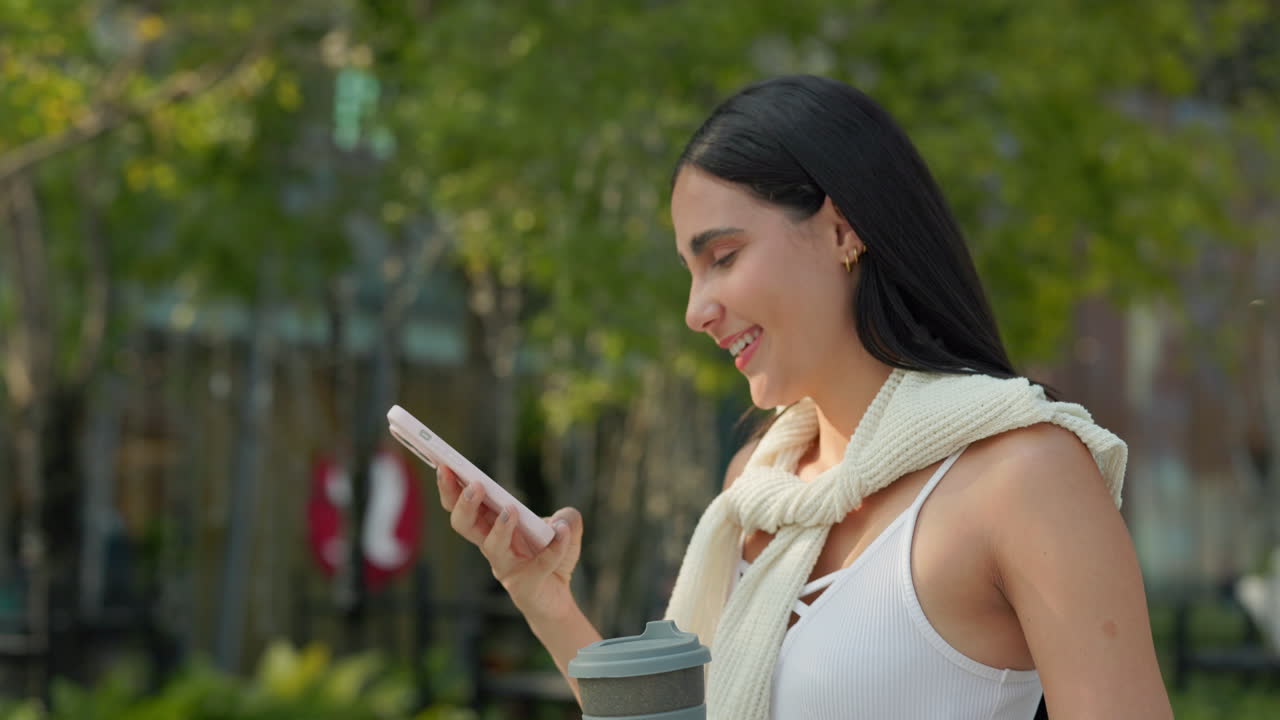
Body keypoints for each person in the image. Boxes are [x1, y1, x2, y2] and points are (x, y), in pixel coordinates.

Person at [434, 75, 1173, 719]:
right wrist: (546, 600)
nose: (696, 310)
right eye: (691, 273)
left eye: (722, 257)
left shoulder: (1022, 479)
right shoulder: (757, 491)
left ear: (842, 229)